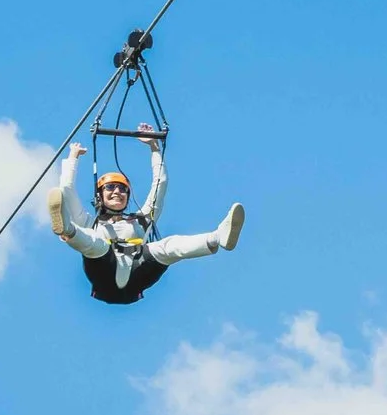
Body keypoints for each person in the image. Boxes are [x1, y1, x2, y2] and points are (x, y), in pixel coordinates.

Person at [46, 125, 243, 304]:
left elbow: (160, 184)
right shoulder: (91, 222)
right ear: (99, 195)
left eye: (123, 189)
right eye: (110, 187)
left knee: (167, 245)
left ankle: (218, 237)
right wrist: (73, 158)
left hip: (137, 274)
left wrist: (154, 148)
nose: (117, 192)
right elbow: (67, 189)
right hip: (104, 274)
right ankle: (67, 229)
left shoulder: (140, 220)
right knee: (94, 243)